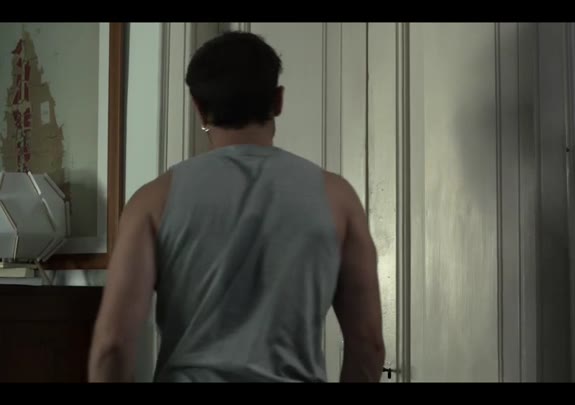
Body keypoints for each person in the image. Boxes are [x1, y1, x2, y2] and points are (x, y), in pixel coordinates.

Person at [88, 31, 385, 383]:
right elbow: (367, 344)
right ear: (278, 101)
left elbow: (113, 346)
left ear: (199, 107)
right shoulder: (337, 198)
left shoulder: (153, 201)